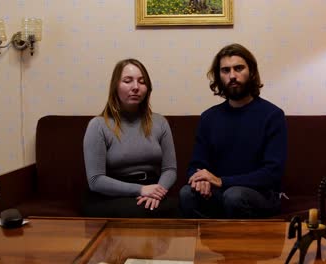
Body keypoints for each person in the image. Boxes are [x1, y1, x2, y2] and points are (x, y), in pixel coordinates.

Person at [179, 43, 287, 218]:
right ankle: (205, 245)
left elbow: (272, 174)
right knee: (187, 194)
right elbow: (195, 165)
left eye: (239, 68)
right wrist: (201, 180)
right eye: (226, 70)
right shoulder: (209, 117)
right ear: (219, 76)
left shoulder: (272, 115)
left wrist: (222, 181)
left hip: (261, 195)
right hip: (220, 192)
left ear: (251, 72)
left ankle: (238, 245)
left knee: (234, 196)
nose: (233, 76)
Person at [82, 58, 178, 217]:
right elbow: (96, 180)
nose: (135, 87)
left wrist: (157, 192)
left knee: (179, 206)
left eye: (142, 82)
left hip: (152, 189)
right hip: (111, 195)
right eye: (128, 81)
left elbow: (170, 169)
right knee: (140, 211)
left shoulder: (160, 122)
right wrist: (141, 190)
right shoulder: (98, 125)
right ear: (115, 86)